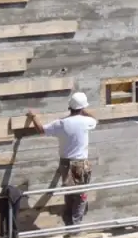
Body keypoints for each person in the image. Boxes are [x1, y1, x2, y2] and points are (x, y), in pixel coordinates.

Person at [26, 92, 97, 227]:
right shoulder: (87, 122)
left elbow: (41, 130)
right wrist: (85, 111)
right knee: (80, 196)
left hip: (65, 164)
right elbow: (95, 120)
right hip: (80, 164)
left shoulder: (61, 124)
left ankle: (69, 224)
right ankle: (75, 227)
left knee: (69, 195)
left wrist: (33, 117)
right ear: (82, 108)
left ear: (70, 107)